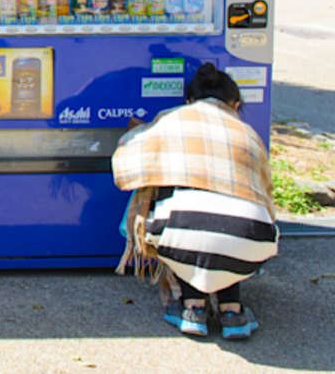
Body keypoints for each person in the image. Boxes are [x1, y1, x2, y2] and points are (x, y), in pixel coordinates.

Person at [112, 63, 277, 340]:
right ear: (235, 104)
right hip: (252, 243)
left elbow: (126, 160)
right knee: (225, 233)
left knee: (183, 221)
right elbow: (266, 196)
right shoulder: (249, 134)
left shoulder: (171, 118)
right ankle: (232, 313)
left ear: (189, 100)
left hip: (181, 239)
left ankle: (193, 308)